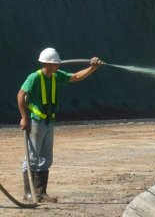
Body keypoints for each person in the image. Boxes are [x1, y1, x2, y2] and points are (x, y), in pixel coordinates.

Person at [17, 47, 103, 203]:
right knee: (32, 157)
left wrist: (93, 67)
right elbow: (21, 95)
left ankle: (41, 192)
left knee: (46, 157)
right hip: (36, 122)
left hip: (49, 122)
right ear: (47, 64)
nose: (58, 66)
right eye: (55, 63)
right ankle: (28, 193)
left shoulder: (57, 76)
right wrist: (24, 118)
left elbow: (76, 76)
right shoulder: (34, 77)